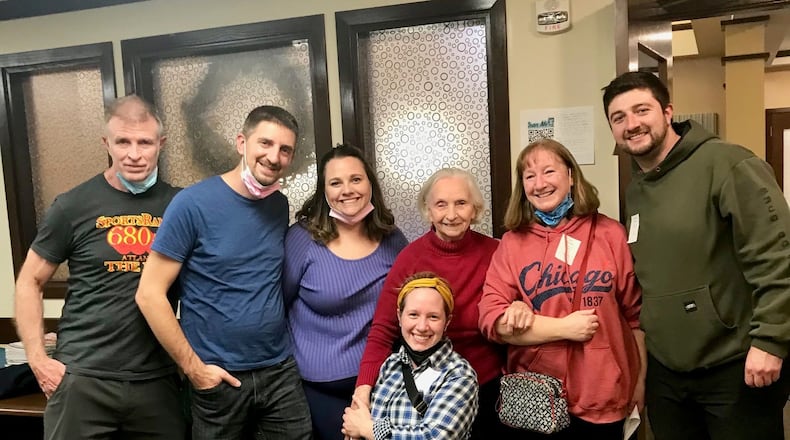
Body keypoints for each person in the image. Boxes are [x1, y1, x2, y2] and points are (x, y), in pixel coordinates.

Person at [602, 71, 790, 440]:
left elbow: (778, 259)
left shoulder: (727, 164)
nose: (631, 124)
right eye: (618, 117)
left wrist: (771, 341)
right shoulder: (637, 188)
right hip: (668, 374)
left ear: (668, 111)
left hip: (735, 367)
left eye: (642, 110)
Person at [135, 105, 311, 440]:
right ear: (241, 142)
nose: (274, 157)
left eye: (285, 149)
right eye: (265, 143)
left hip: (279, 372)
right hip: (219, 378)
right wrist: (194, 370)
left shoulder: (278, 205)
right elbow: (149, 294)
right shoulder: (192, 204)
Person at [14, 95, 184, 439]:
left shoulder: (181, 205)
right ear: (106, 142)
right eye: (123, 141)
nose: (133, 154)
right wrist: (37, 358)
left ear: (160, 144)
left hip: (157, 379)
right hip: (83, 377)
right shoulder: (72, 205)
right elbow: (30, 280)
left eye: (144, 142)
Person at [478, 138, 645, 439]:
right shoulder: (512, 244)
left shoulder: (610, 234)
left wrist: (641, 381)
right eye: (529, 176)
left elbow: (635, 318)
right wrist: (564, 327)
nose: (539, 183)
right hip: (536, 397)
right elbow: (492, 322)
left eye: (549, 172)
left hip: (604, 393)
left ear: (570, 176)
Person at [354, 167, 514, 437]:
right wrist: (363, 390)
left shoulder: (497, 253)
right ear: (428, 211)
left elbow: (514, 308)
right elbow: (382, 331)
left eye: (461, 203)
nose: (451, 215)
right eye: (441, 204)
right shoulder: (410, 258)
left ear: (474, 209)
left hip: (487, 384)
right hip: (425, 392)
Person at [283, 143, 408, 440]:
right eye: (335, 183)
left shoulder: (393, 239)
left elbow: (409, 305)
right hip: (317, 386)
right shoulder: (302, 239)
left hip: (383, 383)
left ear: (369, 184)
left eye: (355, 179)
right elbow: (278, 307)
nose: (347, 190)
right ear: (323, 192)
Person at [342, 272, 479, 439]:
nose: (422, 326)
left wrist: (367, 429)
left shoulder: (459, 375)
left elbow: (433, 436)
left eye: (433, 317)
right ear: (400, 317)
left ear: (447, 322)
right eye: (413, 314)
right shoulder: (391, 365)